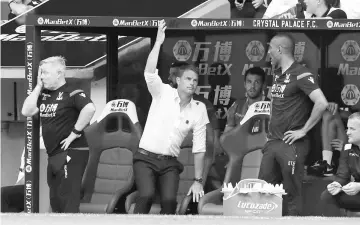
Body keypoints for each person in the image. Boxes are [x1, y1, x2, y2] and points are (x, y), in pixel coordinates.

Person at [133, 20, 209, 214]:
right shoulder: (163, 92)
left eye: (195, 80)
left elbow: (199, 148)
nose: (192, 83)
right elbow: (149, 73)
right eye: (188, 79)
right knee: (147, 195)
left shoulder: (199, 109)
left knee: (169, 202)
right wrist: (158, 44)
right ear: (178, 80)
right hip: (145, 158)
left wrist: (198, 181)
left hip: (169, 163)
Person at [258, 34, 329, 216]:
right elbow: (275, 104)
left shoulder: (301, 73)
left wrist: (303, 131)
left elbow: (321, 103)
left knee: (291, 194)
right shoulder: (277, 74)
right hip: (273, 142)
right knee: (263, 193)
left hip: (292, 144)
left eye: (271, 49)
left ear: (280, 49)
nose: (268, 53)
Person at [21, 56, 96, 213]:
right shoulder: (44, 95)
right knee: (56, 201)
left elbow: (89, 108)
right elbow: (26, 111)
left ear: (59, 73)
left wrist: (75, 133)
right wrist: (37, 87)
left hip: (72, 153)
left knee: (69, 201)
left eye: (46, 73)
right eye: (41, 73)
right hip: (54, 155)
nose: (42, 76)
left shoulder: (72, 91)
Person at [319, 112, 360, 217]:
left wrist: (359, 186)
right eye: (347, 128)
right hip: (357, 192)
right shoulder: (347, 147)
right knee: (327, 196)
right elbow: (343, 175)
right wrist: (337, 184)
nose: (348, 133)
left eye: (352, 129)